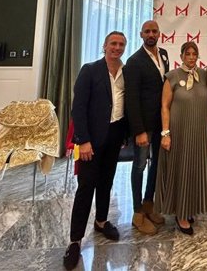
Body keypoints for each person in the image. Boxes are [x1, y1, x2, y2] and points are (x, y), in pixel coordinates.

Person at [64, 31, 129, 270]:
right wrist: (83, 140)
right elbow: (78, 109)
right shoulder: (89, 70)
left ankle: (101, 221)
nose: (117, 47)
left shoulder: (126, 72)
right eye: (113, 43)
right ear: (104, 46)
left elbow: (126, 105)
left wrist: (125, 135)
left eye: (121, 44)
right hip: (91, 140)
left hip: (115, 137)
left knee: (106, 182)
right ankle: (74, 241)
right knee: (86, 188)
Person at [155, 42, 207, 236]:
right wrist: (165, 133)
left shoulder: (204, 76)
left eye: (194, 53)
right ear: (181, 56)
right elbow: (164, 106)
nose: (191, 57)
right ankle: (180, 214)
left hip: (199, 133)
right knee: (181, 169)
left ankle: (190, 208)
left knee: (195, 170)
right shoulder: (172, 77)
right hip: (179, 132)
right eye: (187, 53)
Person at [123, 20, 168, 235]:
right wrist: (139, 131)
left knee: (157, 165)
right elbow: (131, 99)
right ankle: (137, 213)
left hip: (161, 123)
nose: (151, 34)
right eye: (147, 31)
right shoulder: (134, 61)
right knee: (139, 166)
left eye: (154, 31)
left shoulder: (164, 55)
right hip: (144, 126)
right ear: (141, 34)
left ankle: (149, 204)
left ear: (159, 34)